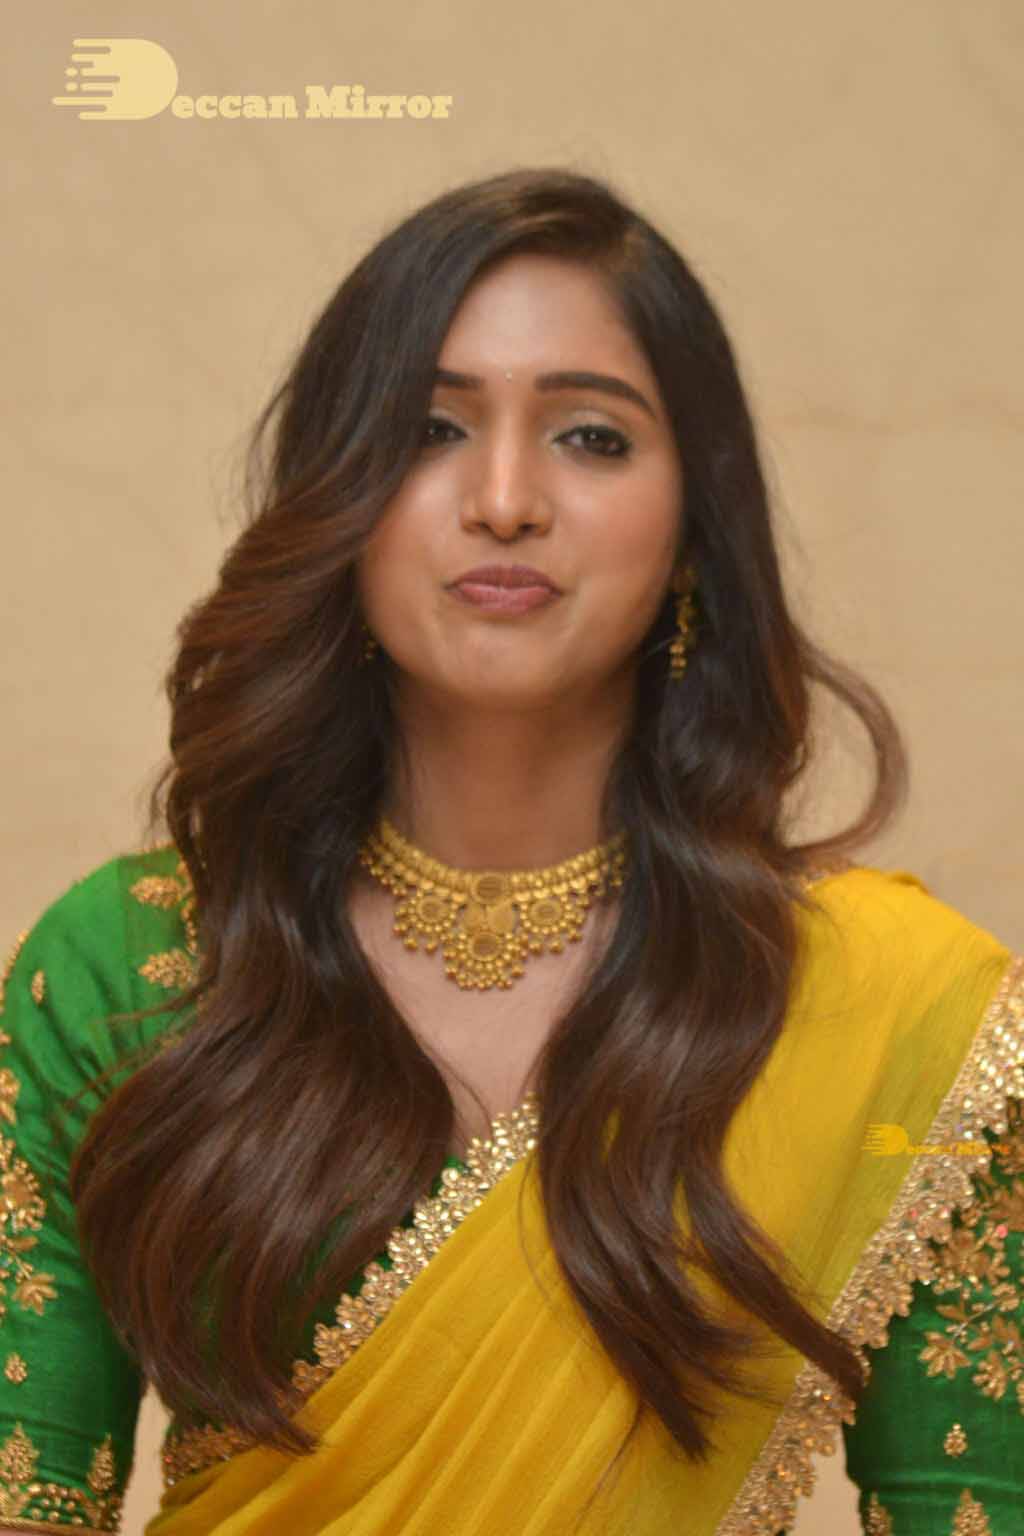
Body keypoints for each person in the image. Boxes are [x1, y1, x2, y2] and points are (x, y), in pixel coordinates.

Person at [0, 166, 1020, 1536]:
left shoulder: (892, 1006)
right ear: (335, 497)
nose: (503, 499)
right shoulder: (136, 968)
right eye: (429, 429)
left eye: (591, 437)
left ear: (693, 525)